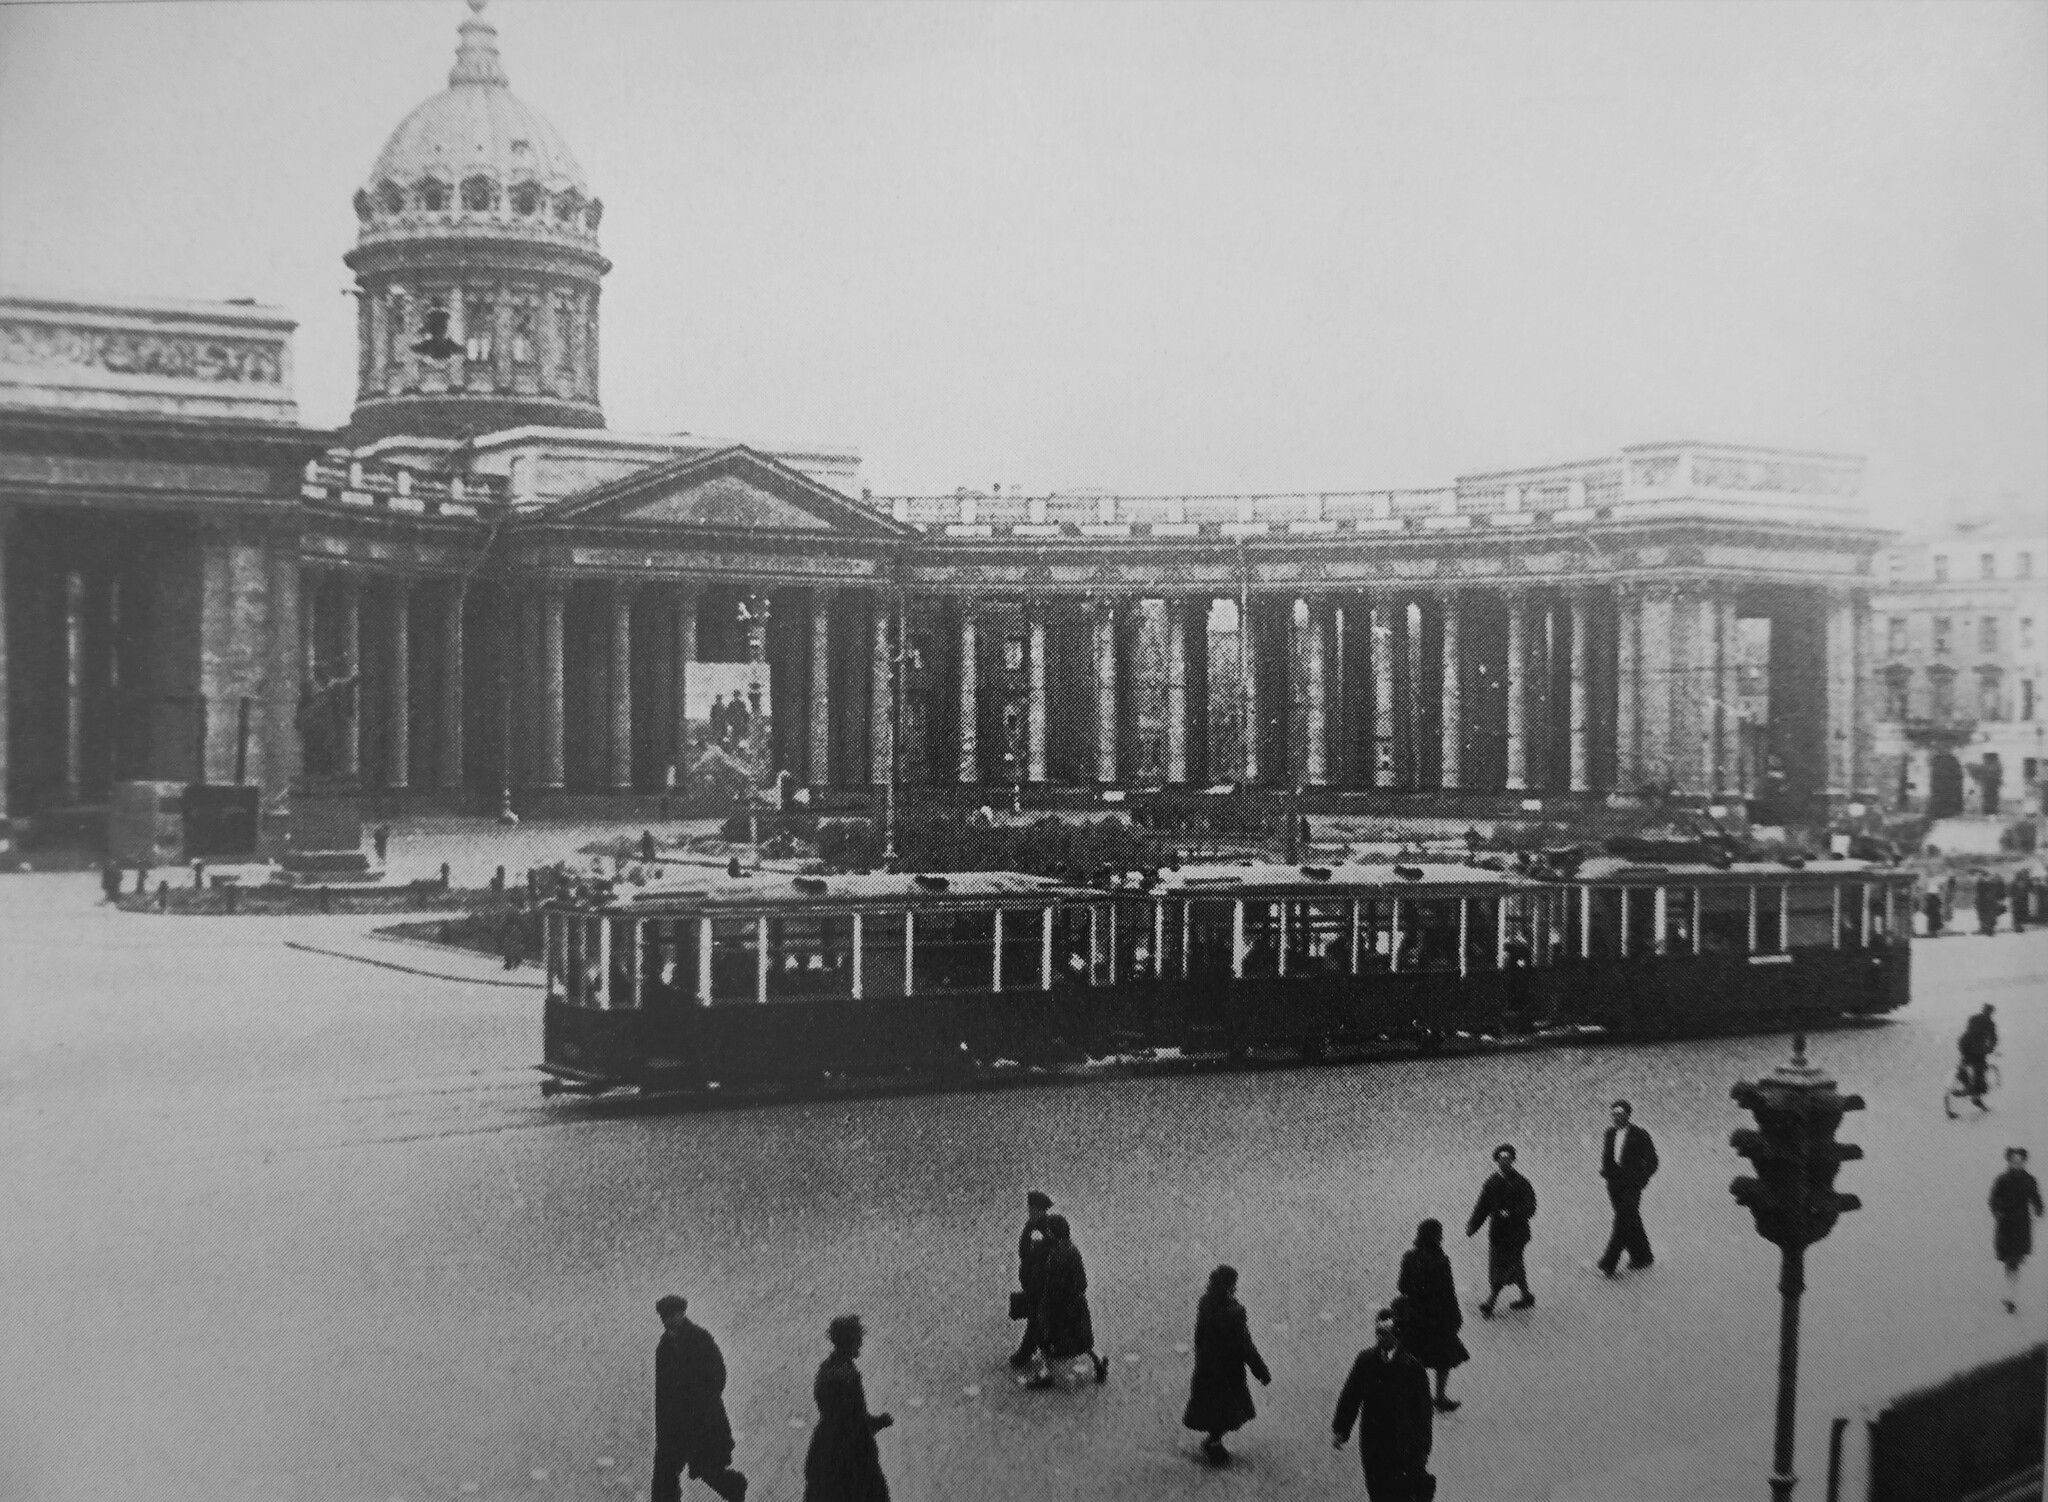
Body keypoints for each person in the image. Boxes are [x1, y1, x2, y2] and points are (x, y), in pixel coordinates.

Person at [1332, 1306, 1435, 1502]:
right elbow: (1351, 1395)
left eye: (1385, 1333)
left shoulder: (1413, 1368)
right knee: (1377, 1490)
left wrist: (1422, 1449)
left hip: (1402, 1444)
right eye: (1378, 1332)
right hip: (1373, 1441)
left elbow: (1423, 1413)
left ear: (1396, 1334)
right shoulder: (1366, 1361)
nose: (1380, 1338)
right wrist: (1341, 1430)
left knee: (1400, 1493)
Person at [651, 1295, 748, 1502]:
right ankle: (733, 1487)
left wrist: (700, 1404)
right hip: (674, 1425)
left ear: (682, 1313)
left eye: (671, 1315)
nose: (667, 1320)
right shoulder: (664, 1347)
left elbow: (718, 1375)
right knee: (664, 1477)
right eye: (664, 1317)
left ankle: (735, 1487)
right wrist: (664, 1426)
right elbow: (662, 1393)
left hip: (702, 1422)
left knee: (708, 1469)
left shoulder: (700, 1339)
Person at [1181, 1265, 1272, 1464]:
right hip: (1229, 1372)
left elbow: (1199, 1336)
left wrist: (1203, 1357)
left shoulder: (1205, 1303)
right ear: (1231, 1285)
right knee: (1229, 1409)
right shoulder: (1234, 1311)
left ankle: (1214, 1441)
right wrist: (1260, 1371)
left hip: (1208, 1368)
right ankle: (1214, 1442)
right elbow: (1245, 1345)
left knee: (1213, 1408)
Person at [803, 1314, 892, 1502]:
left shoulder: (826, 1369)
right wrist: (878, 1422)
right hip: (852, 1452)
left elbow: (837, 1412)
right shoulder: (847, 1373)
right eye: (857, 1338)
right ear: (849, 1340)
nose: (860, 1343)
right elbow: (853, 1416)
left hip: (826, 1446)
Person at [1026, 1213, 1108, 1389]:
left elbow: (1051, 1287)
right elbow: (1082, 1282)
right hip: (1076, 1306)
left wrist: (1046, 1306)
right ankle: (1099, 1360)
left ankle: (1046, 1373)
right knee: (1082, 1340)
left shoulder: (1056, 1257)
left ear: (1053, 1233)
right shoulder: (1073, 1250)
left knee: (1045, 1338)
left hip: (1060, 1309)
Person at [1396, 1221, 1468, 1412]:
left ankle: (1412, 1396)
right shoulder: (1441, 1260)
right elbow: (1448, 1292)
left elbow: (1401, 1286)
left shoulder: (1409, 1258)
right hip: (1437, 1317)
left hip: (1414, 1316)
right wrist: (1455, 1316)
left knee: (1414, 1355)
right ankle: (1440, 1397)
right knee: (1443, 1358)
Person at [1465, 1143, 1537, 1316]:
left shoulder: (1521, 1182)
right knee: (1512, 1265)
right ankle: (1526, 1295)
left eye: (1508, 1159)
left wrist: (1512, 1214)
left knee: (1504, 1266)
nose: (1505, 1162)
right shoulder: (1491, 1183)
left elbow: (1531, 1207)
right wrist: (1473, 1225)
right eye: (1502, 1159)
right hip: (1498, 1234)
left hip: (1516, 1234)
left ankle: (1491, 1301)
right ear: (1497, 1161)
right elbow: (1482, 1207)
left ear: (1513, 1160)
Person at [1596, 1100, 1660, 1276]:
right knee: (1631, 1219)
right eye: (1614, 1114)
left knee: (1622, 1221)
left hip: (1632, 1186)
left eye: (1620, 1114)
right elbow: (1608, 1156)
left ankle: (1609, 1263)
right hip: (1614, 1186)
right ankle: (1643, 1257)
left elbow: (1653, 1161)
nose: (1616, 1118)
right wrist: (1606, 1172)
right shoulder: (1609, 1133)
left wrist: (1640, 1179)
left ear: (1628, 1115)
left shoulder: (1640, 1135)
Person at [1990, 1148, 2044, 1314]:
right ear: (2009, 1161)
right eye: (2014, 1161)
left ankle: (2012, 1297)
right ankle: (2011, 1295)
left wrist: (2039, 1209)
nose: (2017, 1164)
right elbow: (1993, 1199)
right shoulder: (2002, 1180)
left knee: (2014, 1261)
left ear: (2024, 1162)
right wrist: (1998, 1211)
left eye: (2020, 1161)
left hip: (2021, 1226)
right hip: (2006, 1225)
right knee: (2009, 1261)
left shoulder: (2029, 1180)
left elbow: (2036, 1197)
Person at [1008, 1191, 1054, 1368]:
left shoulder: (1044, 1229)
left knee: (1035, 1318)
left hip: (1039, 1284)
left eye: (1033, 1209)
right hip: (1032, 1282)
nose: (1030, 1212)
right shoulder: (1032, 1225)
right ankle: (1043, 1344)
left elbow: (1041, 1256)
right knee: (1036, 1316)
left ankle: (1025, 1353)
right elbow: (1023, 1251)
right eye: (1030, 1209)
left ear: (1040, 1210)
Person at [1957, 1004, 1999, 1111]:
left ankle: (1966, 1084)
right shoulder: (1990, 1022)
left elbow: (1970, 1030)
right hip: (1977, 1049)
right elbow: (1993, 1038)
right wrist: (1990, 1049)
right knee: (1979, 1072)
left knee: (1964, 1064)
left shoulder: (1973, 1018)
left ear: (1983, 1010)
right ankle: (1975, 1096)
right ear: (1990, 1012)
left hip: (1964, 1044)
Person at [1976, 870, 2007, 936]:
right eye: (1983, 877)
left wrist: (1999, 900)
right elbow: (1980, 894)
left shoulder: (1991, 884)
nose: (1985, 878)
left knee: (1991, 916)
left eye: (1986, 876)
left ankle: (1989, 929)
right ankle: (1985, 928)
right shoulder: (1980, 883)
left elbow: (1996, 893)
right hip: (1982, 903)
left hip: (1990, 903)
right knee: (1983, 917)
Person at [2012, 868, 2035, 933]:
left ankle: (2019, 926)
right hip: (2018, 900)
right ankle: (2018, 927)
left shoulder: (2025, 881)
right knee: (2018, 914)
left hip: (2022, 900)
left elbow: (2031, 888)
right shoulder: (2017, 882)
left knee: (2020, 914)